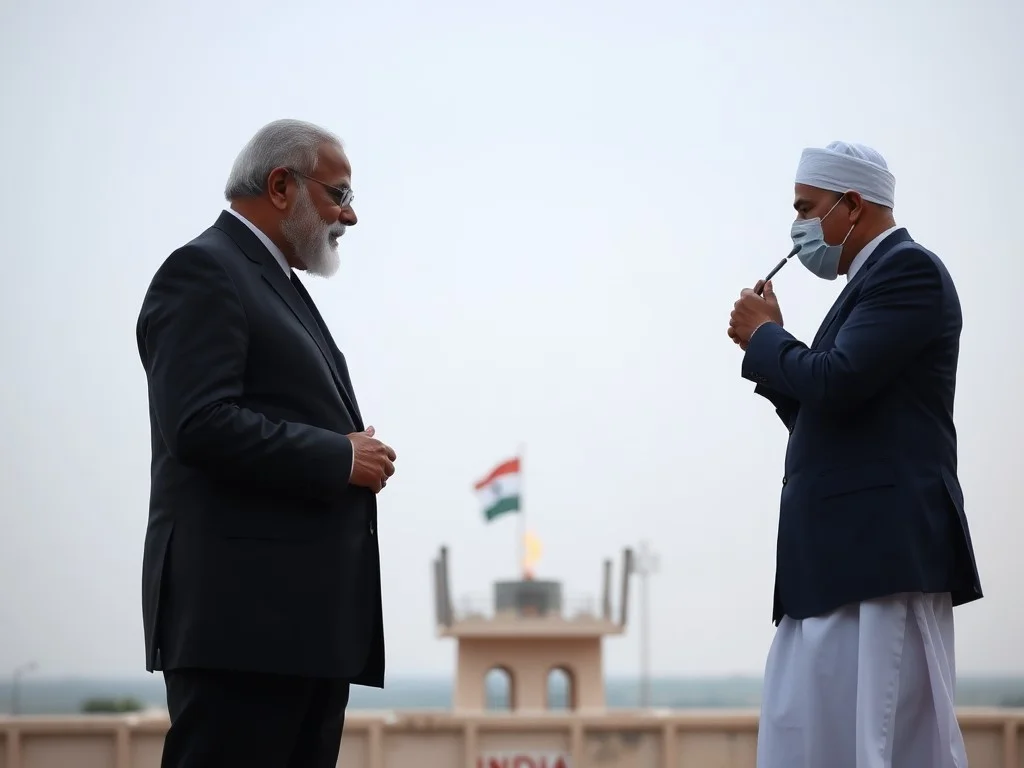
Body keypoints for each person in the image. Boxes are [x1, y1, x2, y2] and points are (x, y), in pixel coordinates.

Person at [136, 119, 397, 768]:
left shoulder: (272, 281)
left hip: (300, 633)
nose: (350, 216)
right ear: (282, 186)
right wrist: (341, 456)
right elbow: (198, 423)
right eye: (339, 194)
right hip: (243, 629)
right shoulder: (205, 269)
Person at [727, 141, 983, 768]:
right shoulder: (867, 285)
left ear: (852, 204)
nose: (798, 226)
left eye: (805, 207)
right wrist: (773, 349)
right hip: (833, 563)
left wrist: (766, 337)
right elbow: (828, 410)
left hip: (879, 557)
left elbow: (836, 382)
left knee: (878, 745)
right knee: (811, 741)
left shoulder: (907, 270)